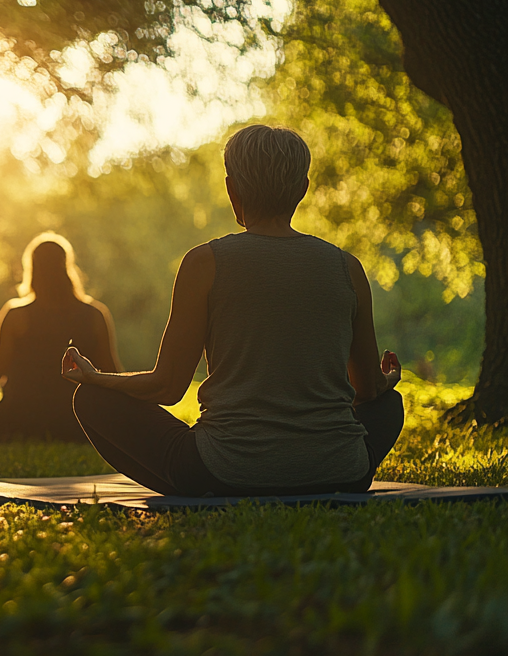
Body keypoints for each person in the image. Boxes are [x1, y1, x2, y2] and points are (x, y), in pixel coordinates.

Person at [63, 124, 404, 497]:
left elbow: (167, 386)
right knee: (390, 403)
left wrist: (97, 380)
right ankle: (317, 463)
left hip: (222, 470)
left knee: (91, 401)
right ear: (303, 190)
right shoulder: (347, 267)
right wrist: (387, 381)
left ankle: (195, 488)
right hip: (341, 472)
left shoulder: (204, 263)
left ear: (232, 189)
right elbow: (368, 390)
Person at [0, 233, 121, 442]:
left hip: (16, 420)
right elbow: (113, 377)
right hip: (75, 423)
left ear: (32, 269)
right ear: (67, 267)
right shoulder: (95, 315)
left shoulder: (15, 314)